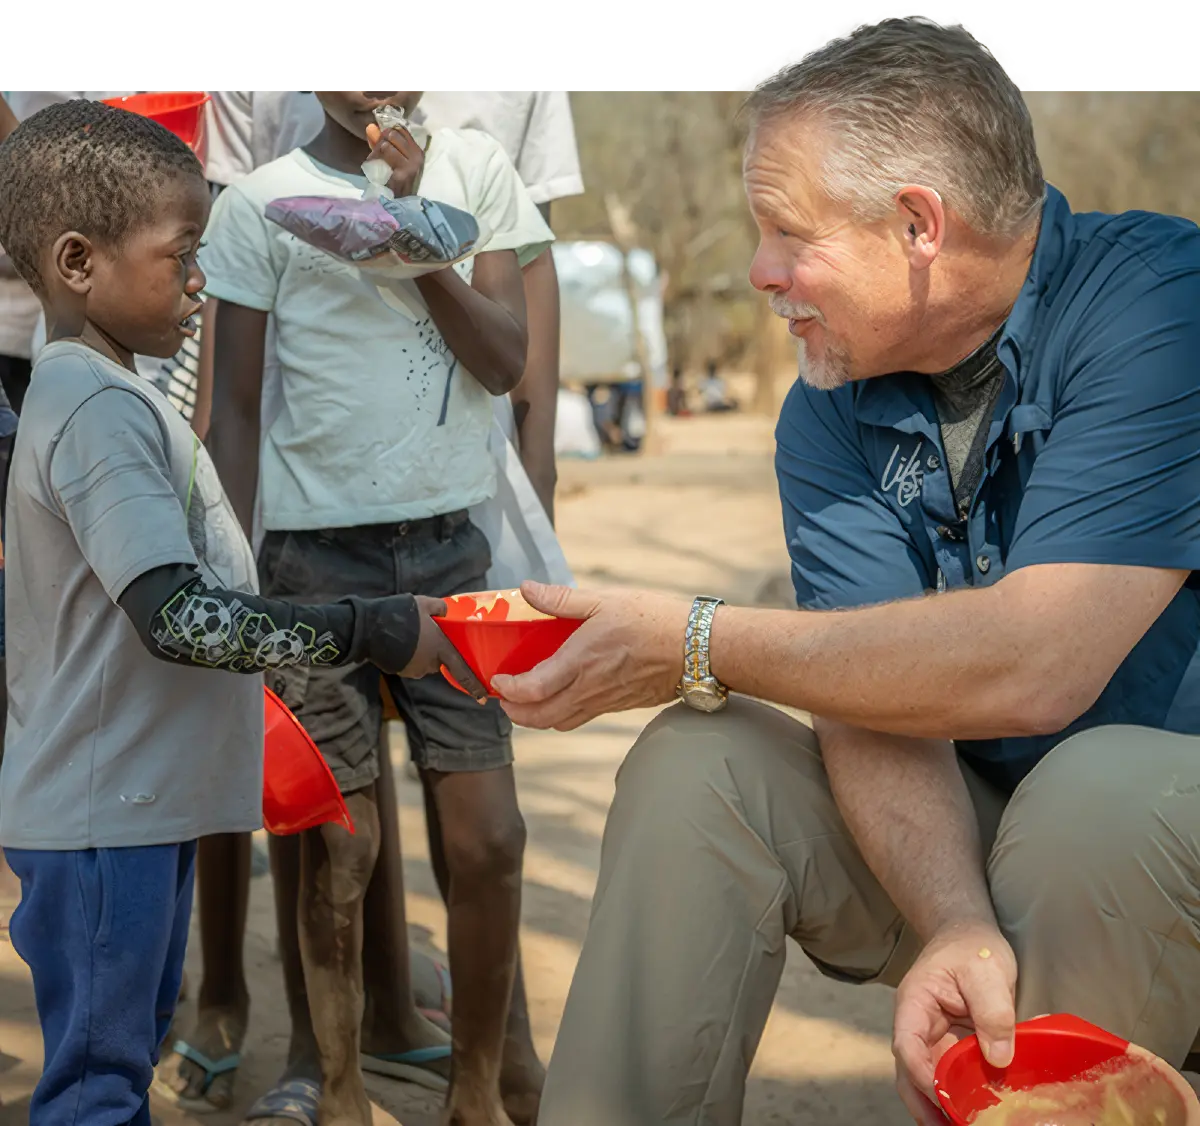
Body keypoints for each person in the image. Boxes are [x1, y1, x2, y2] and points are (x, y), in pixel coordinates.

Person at [487, 17, 1200, 1126]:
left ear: (919, 223)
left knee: (1091, 796)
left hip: (1148, 836)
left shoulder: (1164, 306)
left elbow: (1041, 660)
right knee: (701, 763)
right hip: (983, 831)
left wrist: (698, 637)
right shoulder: (828, 405)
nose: (762, 272)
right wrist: (957, 919)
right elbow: (865, 703)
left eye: (787, 231)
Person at [0, 98, 486, 1126]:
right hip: (102, 825)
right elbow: (181, 618)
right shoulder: (93, 411)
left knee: (113, 1068)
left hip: (133, 810)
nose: (200, 281)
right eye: (182, 257)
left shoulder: (106, 394)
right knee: (94, 1092)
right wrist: (373, 626)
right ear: (79, 262)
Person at [201, 89, 553, 1126]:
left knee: (489, 837)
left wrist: (414, 239)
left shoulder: (476, 172)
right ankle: (342, 1085)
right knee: (338, 845)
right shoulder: (260, 204)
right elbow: (230, 407)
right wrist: (227, 579)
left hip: (452, 553)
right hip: (313, 562)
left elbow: (505, 362)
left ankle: (478, 1089)